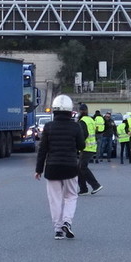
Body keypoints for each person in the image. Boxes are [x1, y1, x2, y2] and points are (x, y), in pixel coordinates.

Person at [35, 94, 85, 239]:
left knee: (55, 199)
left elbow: (42, 149)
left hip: (52, 167)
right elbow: (81, 145)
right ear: (70, 111)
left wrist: (38, 169)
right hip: (70, 166)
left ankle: (58, 230)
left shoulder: (49, 127)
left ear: (54, 111)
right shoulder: (75, 127)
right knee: (71, 196)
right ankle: (67, 222)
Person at [77, 104, 103, 195]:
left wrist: (78, 145)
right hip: (91, 146)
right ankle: (83, 189)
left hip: (86, 147)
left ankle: (95, 185)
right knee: (79, 168)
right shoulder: (91, 119)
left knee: (82, 167)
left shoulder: (82, 121)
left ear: (80, 111)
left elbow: (84, 134)